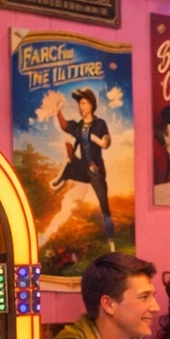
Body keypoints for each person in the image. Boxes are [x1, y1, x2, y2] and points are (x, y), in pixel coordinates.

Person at [53, 87, 114, 242]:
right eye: (80, 103)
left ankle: (111, 238)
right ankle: (61, 179)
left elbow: (106, 139)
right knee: (69, 164)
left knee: (104, 206)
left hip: (96, 171)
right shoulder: (78, 126)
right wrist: (58, 110)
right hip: (83, 168)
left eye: (85, 103)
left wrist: (102, 141)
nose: (82, 107)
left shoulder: (99, 123)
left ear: (91, 105)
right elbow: (64, 125)